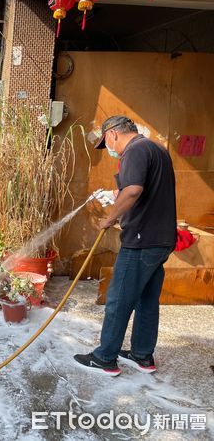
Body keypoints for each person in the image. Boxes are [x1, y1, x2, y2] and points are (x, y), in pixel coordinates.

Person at [74, 116, 176, 377]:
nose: (109, 150)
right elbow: (140, 190)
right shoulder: (156, 149)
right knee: (146, 300)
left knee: (119, 299)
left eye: (106, 144)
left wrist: (110, 217)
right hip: (161, 239)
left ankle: (105, 357)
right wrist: (113, 195)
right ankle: (142, 355)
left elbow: (133, 191)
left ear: (112, 135)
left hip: (141, 241)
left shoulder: (134, 151)